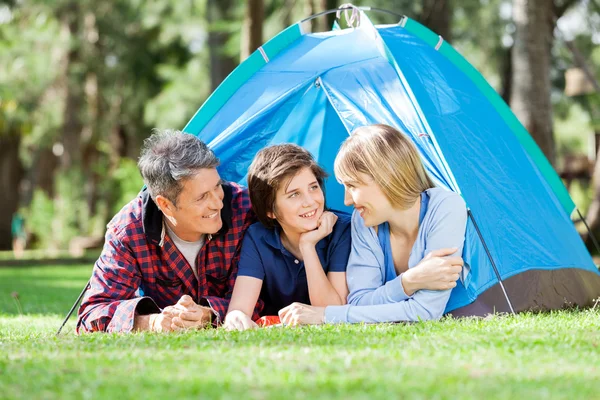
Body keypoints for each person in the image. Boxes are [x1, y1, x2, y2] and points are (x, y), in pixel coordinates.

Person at [279, 124, 466, 325]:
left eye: (352, 186)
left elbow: (425, 311)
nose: (347, 201)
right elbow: (359, 301)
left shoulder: (446, 207)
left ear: (385, 177)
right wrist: (409, 282)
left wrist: (326, 316)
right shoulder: (363, 221)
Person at [76, 130, 261, 333]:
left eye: (218, 187)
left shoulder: (247, 211)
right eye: (201, 198)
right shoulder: (127, 231)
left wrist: (208, 315)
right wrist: (152, 323)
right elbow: (92, 314)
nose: (218, 203)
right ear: (165, 205)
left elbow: (270, 297)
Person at [224, 144, 350, 331]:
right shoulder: (258, 237)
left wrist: (308, 247)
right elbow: (240, 309)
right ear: (270, 211)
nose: (310, 202)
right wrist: (235, 317)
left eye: (313, 187)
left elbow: (332, 310)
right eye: (294, 195)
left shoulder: (341, 229)